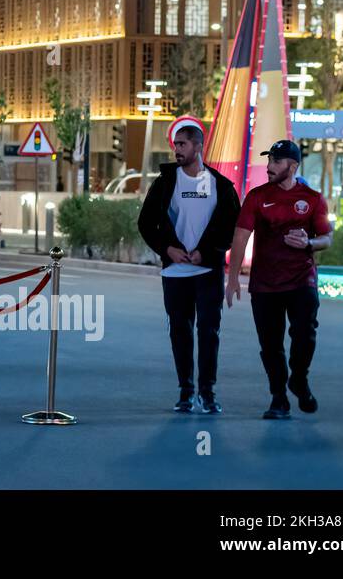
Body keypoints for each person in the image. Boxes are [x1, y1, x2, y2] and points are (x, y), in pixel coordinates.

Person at [137, 124, 241, 414]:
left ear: (198, 147)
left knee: (209, 331)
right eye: (175, 145)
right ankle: (186, 392)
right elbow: (146, 223)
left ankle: (207, 393)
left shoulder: (220, 184)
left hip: (207, 271)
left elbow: (232, 226)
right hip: (174, 273)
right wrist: (167, 249)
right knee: (179, 332)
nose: (177, 150)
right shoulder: (166, 182)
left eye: (182, 144)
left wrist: (206, 253)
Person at [228, 139, 333, 420]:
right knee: (270, 344)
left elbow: (327, 238)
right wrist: (233, 277)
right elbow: (241, 235)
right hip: (265, 284)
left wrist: (309, 243)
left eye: (276, 161)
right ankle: (279, 398)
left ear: (293, 165)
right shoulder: (257, 196)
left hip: (302, 280)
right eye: (269, 160)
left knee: (305, 332)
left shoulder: (312, 198)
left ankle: (299, 378)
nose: (269, 166)